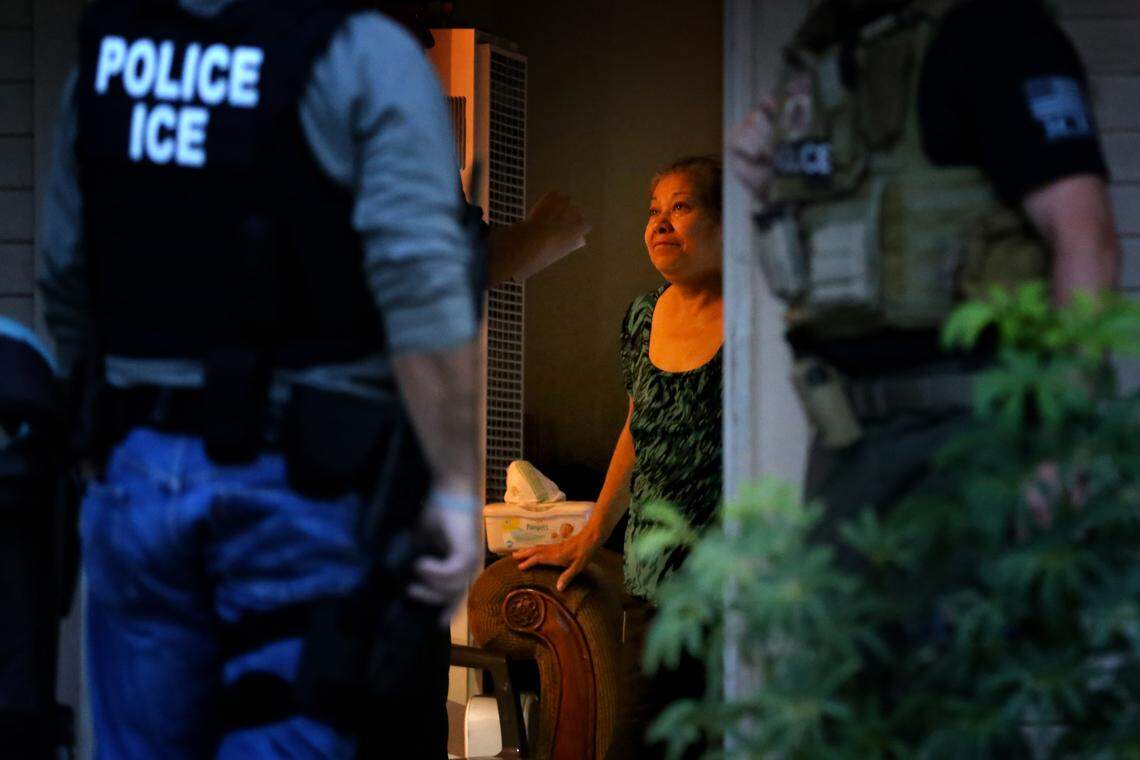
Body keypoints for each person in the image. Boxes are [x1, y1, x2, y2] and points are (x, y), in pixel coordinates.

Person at [40, 1, 483, 757]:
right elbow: (420, 288)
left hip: (136, 471)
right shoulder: (363, 56)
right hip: (300, 484)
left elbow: (63, 271)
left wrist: (99, 428)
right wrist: (452, 486)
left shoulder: (112, 63)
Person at [727, 0, 1121, 547]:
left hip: (974, 435)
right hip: (847, 439)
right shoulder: (830, 48)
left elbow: (1087, 240)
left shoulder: (995, 31)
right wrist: (767, 181)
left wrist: (1067, 436)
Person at [513, 155, 724, 759]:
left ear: (725, 223)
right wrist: (591, 534)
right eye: (653, 211)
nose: (660, 222)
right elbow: (635, 431)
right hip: (652, 580)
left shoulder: (754, 315)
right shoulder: (642, 315)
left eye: (681, 206)